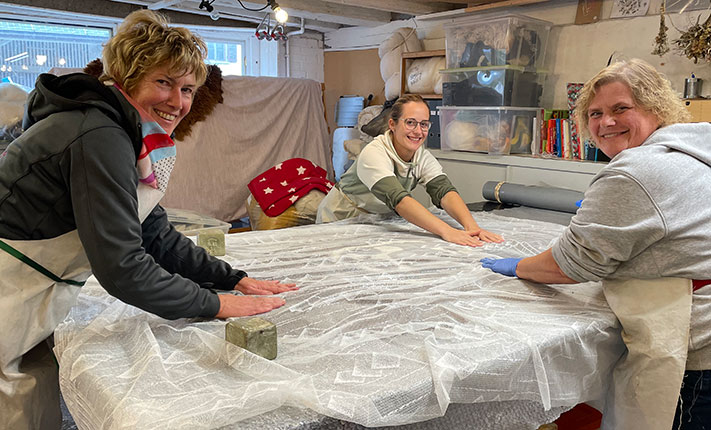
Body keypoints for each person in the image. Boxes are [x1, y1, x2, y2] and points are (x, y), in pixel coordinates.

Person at [0, 10, 296, 430]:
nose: (178, 102)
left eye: (187, 89)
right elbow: (122, 268)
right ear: (127, 77)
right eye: (163, 83)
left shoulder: (122, 129)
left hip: (29, 287)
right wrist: (216, 304)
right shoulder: (98, 134)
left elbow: (153, 231)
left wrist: (232, 278)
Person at [480, 59, 711, 430]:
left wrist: (519, 266)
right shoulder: (695, 147)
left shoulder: (635, 172)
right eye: (595, 113)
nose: (607, 122)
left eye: (621, 109)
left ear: (655, 108)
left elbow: (570, 264)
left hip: (697, 355)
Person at [317, 94, 503, 247]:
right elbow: (399, 200)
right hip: (342, 218)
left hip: (378, 221)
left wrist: (471, 227)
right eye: (410, 123)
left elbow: (444, 191)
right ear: (392, 124)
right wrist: (447, 231)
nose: (418, 131)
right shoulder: (374, 153)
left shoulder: (421, 156)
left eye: (424, 124)